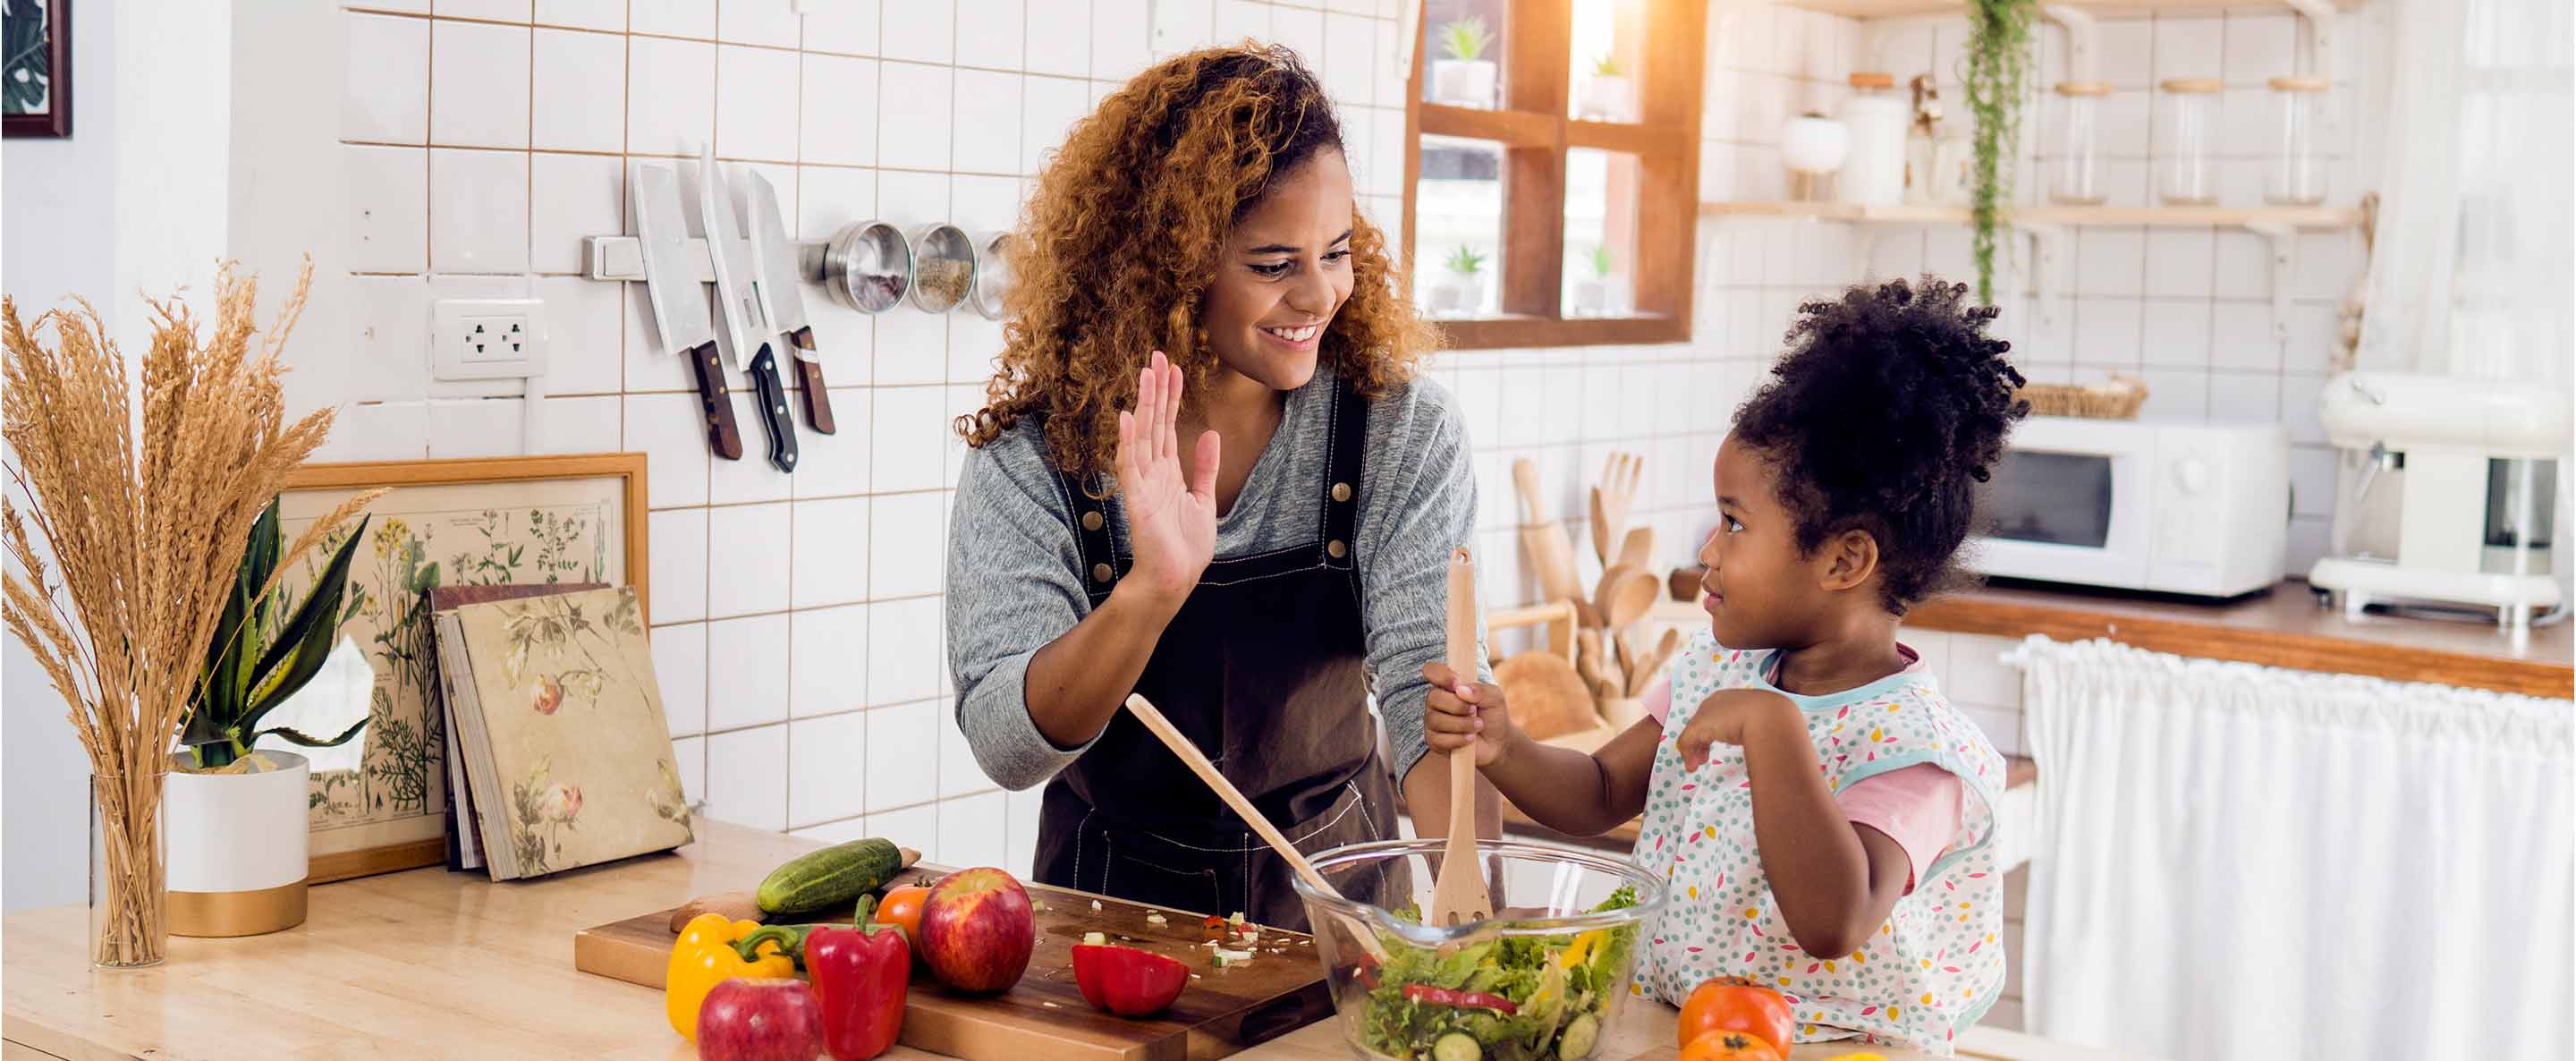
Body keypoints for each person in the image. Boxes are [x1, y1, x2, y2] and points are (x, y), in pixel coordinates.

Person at [945, 44, 1488, 930]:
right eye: (1275, 265)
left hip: (1342, 922)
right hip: (1106, 921)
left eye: (1339, 251)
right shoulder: (1036, 456)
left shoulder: (1400, 430)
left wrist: (1472, 910)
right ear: (1167, 266)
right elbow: (1007, 746)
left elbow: (1429, 709)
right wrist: (1147, 594)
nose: (1321, 293)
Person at [1423, 277, 2027, 1055]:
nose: (1708, 551)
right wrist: (1505, 747)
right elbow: (1602, 791)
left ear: (1845, 559)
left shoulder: (1918, 754)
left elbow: (1832, 920)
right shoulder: (1718, 669)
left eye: (1735, 524)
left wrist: (1773, 728)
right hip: (1681, 1033)